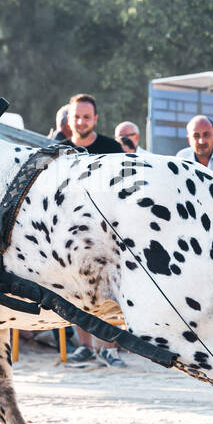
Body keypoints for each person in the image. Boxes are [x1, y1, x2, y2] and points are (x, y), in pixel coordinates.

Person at [64, 93, 126, 368]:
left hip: (107, 229)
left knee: (110, 288)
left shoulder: (111, 148)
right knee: (76, 289)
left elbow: (124, 187)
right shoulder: (59, 149)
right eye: (76, 116)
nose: (81, 121)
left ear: (95, 119)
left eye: (86, 116)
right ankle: (85, 347)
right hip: (70, 232)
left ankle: (109, 348)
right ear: (69, 119)